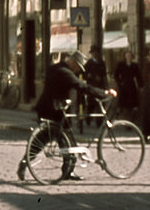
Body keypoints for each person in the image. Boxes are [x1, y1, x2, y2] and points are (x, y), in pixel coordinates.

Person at [17, 50, 116, 182]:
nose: (77, 70)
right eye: (78, 67)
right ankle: (66, 170)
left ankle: (28, 164)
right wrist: (104, 93)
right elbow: (81, 86)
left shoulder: (54, 68)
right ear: (72, 62)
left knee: (46, 140)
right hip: (55, 111)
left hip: (50, 108)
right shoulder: (64, 72)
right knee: (65, 142)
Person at [82, 45, 108, 129]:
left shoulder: (101, 63)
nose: (95, 54)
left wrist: (105, 84)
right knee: (91, 105)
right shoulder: (89, 63)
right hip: (91, 86)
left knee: (100, 105)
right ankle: (88, 119)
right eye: (93, 53)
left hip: (100, 86)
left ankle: (99, 122)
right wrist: (91, 77)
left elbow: (104, 75)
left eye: (96, 53)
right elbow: (84, 74)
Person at [113, 50, 141, 122]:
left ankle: (130, 120)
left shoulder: (135, 65)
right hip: (123, 87)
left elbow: (138, 77)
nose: (129, 57)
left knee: (131, 105)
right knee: (124, 105)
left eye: (130, 56)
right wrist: (120, 83)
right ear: (125, 56)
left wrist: (140, 86)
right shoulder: (121, 65)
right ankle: (125, 119)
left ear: (132, 57)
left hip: (131, 87)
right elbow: (116, 75)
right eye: (127, 56)